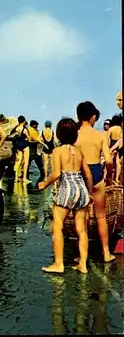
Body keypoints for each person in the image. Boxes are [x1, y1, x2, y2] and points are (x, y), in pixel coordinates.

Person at [38, 118, 92, 274]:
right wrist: (89, 193)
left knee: (57, 225)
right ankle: (83, 264)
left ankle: (59, 264)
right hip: (81, 187)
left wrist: (44, 184)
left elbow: (56, 174)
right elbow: (87, 174)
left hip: (67, 188)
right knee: (81, 229)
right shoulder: (79, 151)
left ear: (59, 134)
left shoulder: (57, 151)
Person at [75, 101, 115, 263]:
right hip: (97, 174)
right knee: (100, 216)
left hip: (80, 175)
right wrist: (109, 177)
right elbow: (109, 160)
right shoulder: (100, 135)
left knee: (81, 217)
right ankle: (106, 253)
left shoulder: (74, 134)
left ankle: (81, 255)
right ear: (92, 117)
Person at [10, 115, 30, 182]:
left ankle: (15, 177)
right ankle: (24, 178)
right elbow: (29, 139)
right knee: (26, 162)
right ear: (24, 121)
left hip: (18, 145)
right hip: (24, 145)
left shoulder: (16, 128)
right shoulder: (24, 129)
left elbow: (11, 133)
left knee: (18, 161)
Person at [108, 114, 122, 184]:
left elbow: (107, 138)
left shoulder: (111, 128)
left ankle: (110, 178)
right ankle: (117, 178)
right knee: (117, 162)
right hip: (119, 145)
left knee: (110, 161)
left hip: (113, 144)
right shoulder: (120, 129)